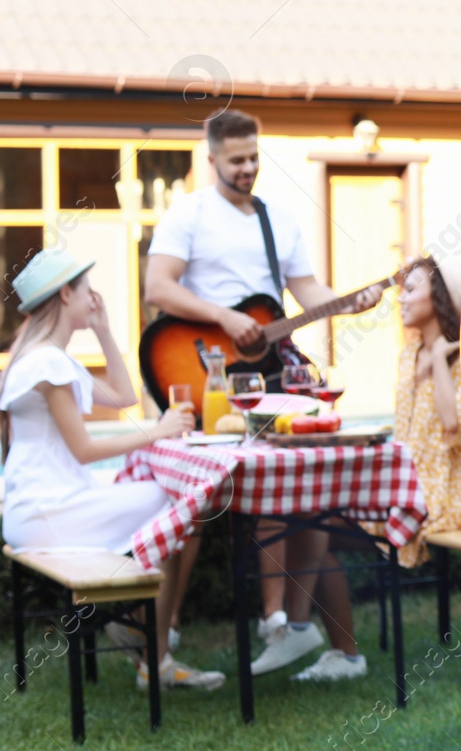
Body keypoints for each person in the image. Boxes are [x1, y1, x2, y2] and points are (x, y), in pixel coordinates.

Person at [145, 108, 381, 678]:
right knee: (192, 510)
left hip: (269, 374)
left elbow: (306, 290)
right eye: (236, 161)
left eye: (254, 158)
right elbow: (157, 287)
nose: (248, 169)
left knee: (284, 488)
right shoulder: (189, 214)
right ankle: (163, 638)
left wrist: (348, 300)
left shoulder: (277, 221)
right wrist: (224, 318)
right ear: (212, 159)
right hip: (206, 372)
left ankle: (280, 623)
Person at [0, 249, 226, 689]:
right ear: (66, 294)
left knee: (163, 502)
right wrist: (157, 432)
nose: (94, 297)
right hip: (49, 510)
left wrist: (103, 330)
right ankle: (154, 656)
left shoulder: (45, 357)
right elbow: (84, 449)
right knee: (175, 501)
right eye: (86, 289)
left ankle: (137, 628)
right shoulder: (47, 362)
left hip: (39, 506)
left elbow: (123, 395)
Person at [363, 256, 461, 567]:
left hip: (448, 493)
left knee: (343, 518)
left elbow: (452, 424)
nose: (401, 298)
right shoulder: (410, 353)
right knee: (340, 510)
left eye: (412, 289)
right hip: (409, 483)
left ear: (441, 297)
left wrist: (441, 358)